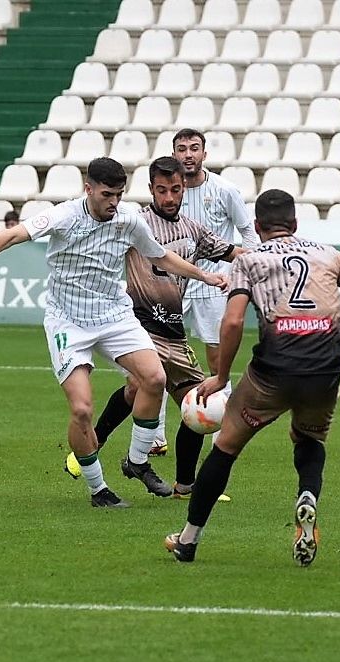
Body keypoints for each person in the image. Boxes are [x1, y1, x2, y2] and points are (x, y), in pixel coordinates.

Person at [0, 157, 227, 508]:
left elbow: (161, 256)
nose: (114, 202)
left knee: (154, 378)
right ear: (88, 189)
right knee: (81, 410)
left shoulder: (129, 221)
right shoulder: (65, 216)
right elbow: (14, 234)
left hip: (114, 314)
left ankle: (136, 462)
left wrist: (205, 276)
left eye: (119, 194)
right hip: (68, 321)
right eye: (107, 194)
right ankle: (98, 489)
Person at [164, 189, 340, 565]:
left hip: (273, 370)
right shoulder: (329, 254)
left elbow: (233, 320)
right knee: (309, 437)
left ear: (259, 227)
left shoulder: (249, 260)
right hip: (326, 368)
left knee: (226, 446)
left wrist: (220, 376)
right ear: (295, 224)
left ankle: (188, 540)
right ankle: (307, 497)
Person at [64, 156, 247, 500]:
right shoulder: (134, 223)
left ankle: (184, 486)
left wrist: (266, 254)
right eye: (161, 190)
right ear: (150, 189)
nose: (168, 197)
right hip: (139, 324)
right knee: (138, 385)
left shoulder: (193, 229)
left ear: (183, 191)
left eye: (175, 190)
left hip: (175, 332)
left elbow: (229, 250)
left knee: (200, 404)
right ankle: (95, 448)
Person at [144, 128, 261, 455]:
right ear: (174, 154)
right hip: (169, 288)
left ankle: (220, 435)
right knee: (157, 360)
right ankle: (155, 437)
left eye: (194, 148)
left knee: (215, 363)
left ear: (204, 154)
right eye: (182, 148)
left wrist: (240, 273)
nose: (188, 154)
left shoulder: (224, 190)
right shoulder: (167, 195)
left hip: (214, 287)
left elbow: (249, 234)